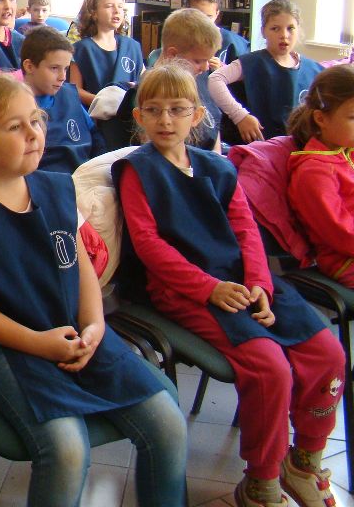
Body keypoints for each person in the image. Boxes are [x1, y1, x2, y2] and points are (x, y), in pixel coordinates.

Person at [0, 73, 187, 507]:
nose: (34, 134)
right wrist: (37, 343)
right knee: (67, 450)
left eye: (37, 120)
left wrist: (95, 324)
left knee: (168, 426)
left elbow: (81, 267)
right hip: (3, 345)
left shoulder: (56, 187)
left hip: (73, 330)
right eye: (15, 127)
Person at [116, 63, 344, 507]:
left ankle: (304, 461)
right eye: (154, 110)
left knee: (328, 354)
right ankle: (261, 480)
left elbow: (245, 228)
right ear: (139, 116)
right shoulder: (136, 170)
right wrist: (209, 288)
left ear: (197, 115)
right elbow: (149, 246)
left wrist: (260, 282)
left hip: (245, 280)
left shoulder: (217, 166)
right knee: (270, 369)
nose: (165, 120)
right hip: (185, 290)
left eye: (177, 109)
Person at [209, 0, 322, 142]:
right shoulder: (251, 62)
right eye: (275, 28)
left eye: (290, 28)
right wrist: (240, 116)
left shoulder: (314, 69)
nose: (284, 35)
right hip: (262, 146)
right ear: (263, 31)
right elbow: (215, 79)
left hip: (300, 146)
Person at [287, 64, 354, 285]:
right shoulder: (314, 172)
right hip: (345, 261)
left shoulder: (346, 151)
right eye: (353, 118)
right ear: (321, 119)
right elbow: (341, 233)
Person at [20, 26, 103, 173]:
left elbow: (95, 137)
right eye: (54, 68)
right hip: (47, 179)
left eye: (65, 69)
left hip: (86, 173)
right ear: (29, 66)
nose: (62, 77)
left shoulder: (69, 94)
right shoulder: (16, 106)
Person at [157, 8, 224, 152]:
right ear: (172, 55)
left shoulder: (200, 79)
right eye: (198, 61)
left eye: (208, 60)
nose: (205, 68)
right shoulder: (154, 93)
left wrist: (217, 160)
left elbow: (215, 127)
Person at [69, 0, 144, 107]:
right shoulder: (81, 49)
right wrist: (104, 102)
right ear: (94, 13)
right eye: (109, 6)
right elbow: (75, 89)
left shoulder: (132, 46)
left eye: (120, 6)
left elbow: (144, 81)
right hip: (96, 113)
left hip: (129, 113)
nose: (117, 11)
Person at [186, 0, 250, 67]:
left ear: (217, 14)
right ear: (186, 12)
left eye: (209, 17)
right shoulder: (177, 38)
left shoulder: (234, 43)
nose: (203, 21)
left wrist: (222, 69)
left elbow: (245, 72)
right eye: (197, 16)